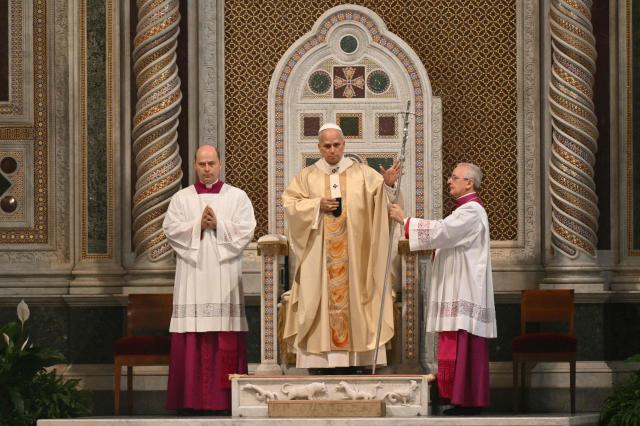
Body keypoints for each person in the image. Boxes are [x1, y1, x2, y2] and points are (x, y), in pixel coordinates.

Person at [281, 123, 401, 371]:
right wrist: (316, 205)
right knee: (318, 300)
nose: (332, 150)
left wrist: (387, 185)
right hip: (320, 259)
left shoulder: (364, 174)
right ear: (319, 148)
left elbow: (384, 208)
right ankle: (319, 361)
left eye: (337, 145)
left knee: (360, 300)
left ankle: (359, 359)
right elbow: (290, 205)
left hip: (356, 259)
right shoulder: (307, 177)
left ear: (344, 145)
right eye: (327, 146)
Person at [389, 162, 497, 415]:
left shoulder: (472, 211)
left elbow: (443, 231)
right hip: (457, 288)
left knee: (462, 344)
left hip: (464, 289)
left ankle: (466, 400)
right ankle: (458, 398)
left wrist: (405, 221)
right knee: (453, 344)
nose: (449, 181)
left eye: (454, 177)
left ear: (469, 182)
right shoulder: (464, 210)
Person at [163, 144, 256, 414]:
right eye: (202, 164)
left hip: (223, 276)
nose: (207, 169)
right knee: (193, 336)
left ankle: (224, 401)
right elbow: (170, 230)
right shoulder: (181, 199)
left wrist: (219, 225)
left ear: (220, 164)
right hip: (192, 277)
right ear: (194, 165)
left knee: (223, 331)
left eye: (211, 164)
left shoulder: (237, 197)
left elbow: (247, 229)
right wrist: (197, 226)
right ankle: (190, 401)